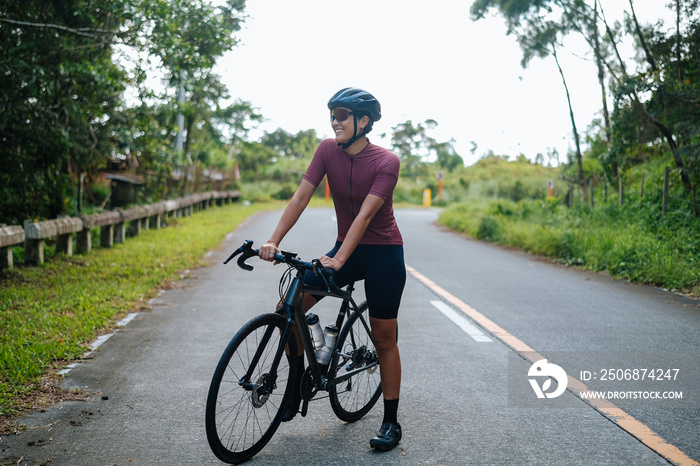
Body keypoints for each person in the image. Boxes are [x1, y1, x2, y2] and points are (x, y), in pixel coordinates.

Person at [259, 87, 406, 451]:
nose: (334, 121)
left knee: (384, 339)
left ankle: (390, 422)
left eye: (341, 115)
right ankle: (294, 388)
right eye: (332, 115)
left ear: (363, 121)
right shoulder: (327, 150)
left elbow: (366, 214)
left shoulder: (387, 161)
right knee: (287, 308)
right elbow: (301, 196)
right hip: (345, 249)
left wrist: (339, 259)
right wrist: (274, 239)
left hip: (383, 254)